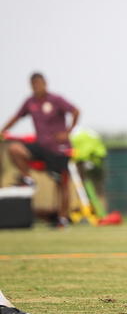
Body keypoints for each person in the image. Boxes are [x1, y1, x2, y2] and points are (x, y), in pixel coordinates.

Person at [1, 72, 80, 227]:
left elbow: (76, 111)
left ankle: (62, 218)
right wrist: (3, 130)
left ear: (45, 83)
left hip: (58, 149)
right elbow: (16, 117)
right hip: (40, 146)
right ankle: (28, 179)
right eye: (33, 84)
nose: (36, 87)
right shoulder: (30, 102)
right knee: (15, 149)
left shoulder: (56, 100)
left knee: (62, 182)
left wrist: (68, 132)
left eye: (39, 83)